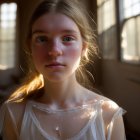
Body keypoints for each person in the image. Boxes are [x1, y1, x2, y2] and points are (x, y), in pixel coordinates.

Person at [0, 0, 126, 139]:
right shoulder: (14, 113)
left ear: (83, 48)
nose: (54, 51)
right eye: (42, 39)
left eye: (67, 38)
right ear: (30, 47)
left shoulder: (108, 114)